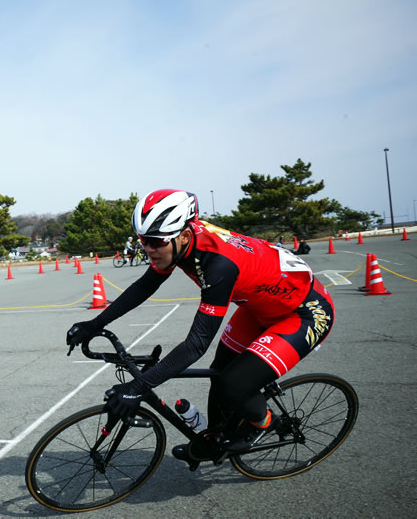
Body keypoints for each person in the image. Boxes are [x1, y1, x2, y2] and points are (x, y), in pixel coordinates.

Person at [67, 189, 334, 462]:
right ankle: (215, 440)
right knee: (219, 373)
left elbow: (196, 345)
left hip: (304, 313)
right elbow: (145, 285)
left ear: (183, 235)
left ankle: (266, 423)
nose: (148, 249)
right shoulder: (179, 242)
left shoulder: (218, 265)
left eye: (155, 241)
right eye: (143, 240)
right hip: (258, 308)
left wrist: (137, 387)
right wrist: (94, 323)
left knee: (235, 382)